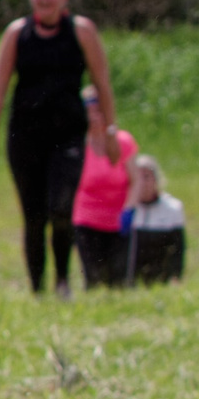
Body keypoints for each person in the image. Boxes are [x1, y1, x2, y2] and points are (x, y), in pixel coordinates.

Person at [0, 0, 115, 298]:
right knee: (34, 214)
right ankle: (37, 287)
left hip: (67, 134)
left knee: (61, 208)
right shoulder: (17, 33)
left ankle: (63, 280)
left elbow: (102, 81)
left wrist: (110, 127)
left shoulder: (81, 32)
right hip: (24, 135)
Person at [71, 86, 139, 290]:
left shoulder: (123, 142)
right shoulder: (78, 145)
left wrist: (129, 209)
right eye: (89, 111)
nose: (94, 117)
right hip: (87, 219)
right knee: (93, 279)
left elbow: (135, 180)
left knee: (118, 280)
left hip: (118, 219)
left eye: (99, 110)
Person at [125, 155, 185, 284]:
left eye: (146, 177)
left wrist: (175, 277)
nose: (143, 183)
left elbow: (178, 249)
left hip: (161, 278)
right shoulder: (126, 209)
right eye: (138, 177)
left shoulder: (172, 208)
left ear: (156, 179)